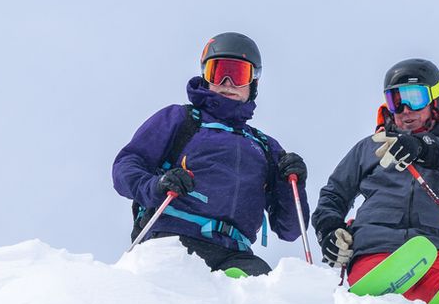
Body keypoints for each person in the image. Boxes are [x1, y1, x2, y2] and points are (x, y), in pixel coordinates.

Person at [113, 33, 309, 276]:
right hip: (172, 239)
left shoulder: (264, 147)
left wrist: (293, 184)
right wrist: (157, 185)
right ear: (206, 77)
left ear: (253, 83)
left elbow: (289, 229)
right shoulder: (181, 120)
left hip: (235, 255)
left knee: (268, 298)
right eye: (218, 72)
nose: (228, 83)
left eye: (237, 74)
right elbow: (125, 167)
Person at [312, 58, 439, 302]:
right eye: (395, 100)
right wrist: (329, 229)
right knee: (382, 286)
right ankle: (382, 303)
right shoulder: (369, 148)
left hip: (438, 247)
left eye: (414, 97)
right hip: (377, 248)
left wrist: (426, 149)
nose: (405, 109)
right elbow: (334, 193)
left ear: (436, 100)